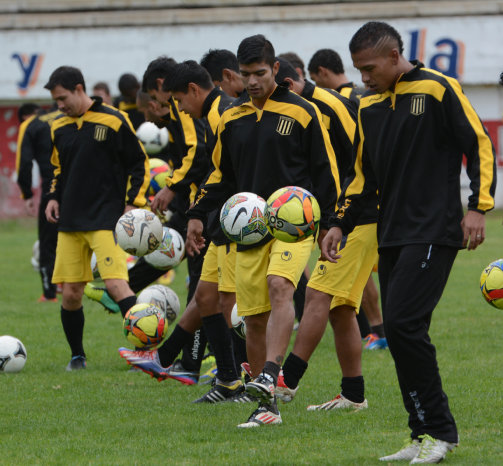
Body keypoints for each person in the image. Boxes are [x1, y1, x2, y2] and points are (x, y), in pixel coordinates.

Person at [321, 22, 496, 463]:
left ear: (395, 55)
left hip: (435, 229)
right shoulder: (368, 105)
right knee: (400, 334)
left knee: (401, 325)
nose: (363, 78)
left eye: (369, 68)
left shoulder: (439, 89)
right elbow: (362, 175)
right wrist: (340, 221)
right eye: (358, 70)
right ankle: (420, 434)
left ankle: (440, 432)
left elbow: (479, 145)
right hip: (391, 233)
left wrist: (478, 206)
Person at [186, 35, 341, 427]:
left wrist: (332, 225)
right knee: (252, 317)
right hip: (250, 230)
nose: (252, 81)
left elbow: (326, 172)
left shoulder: (304, 113)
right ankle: (265, 405)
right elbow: (221, 175)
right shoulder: (233, 118)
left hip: (294, 225)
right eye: (245, 75)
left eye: (259, 73)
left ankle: (271, 374)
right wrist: (197, 213)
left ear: (275, 69)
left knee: (280, 286)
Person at [120, 61, 250, 401]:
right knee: (208, 296)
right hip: (215, 214)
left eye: (177, 100)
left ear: (192, 90)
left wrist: (188, 203)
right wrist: (196, 213)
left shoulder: (223, 113)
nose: (177, 109)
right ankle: (226, 379)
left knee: (234, 300)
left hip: (229, 216)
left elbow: (217, 168)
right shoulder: (214, 112)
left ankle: (252, 376)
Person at [273, 57, 376, 410]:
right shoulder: (300, 111)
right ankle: (353, 394)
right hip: (346, 216)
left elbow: (362, 158)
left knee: (316, 294)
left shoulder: (329, 104)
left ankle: (286, 380)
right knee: (341, 310)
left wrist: (339, 216)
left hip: (361, 215)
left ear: (287, 84)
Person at [44, 66, 150, 371]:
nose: (60, 105)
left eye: (63, 98)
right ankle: (77, 356)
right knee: (71, 294)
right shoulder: (58, 128)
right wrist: (52, 197)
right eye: (56, 101)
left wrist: (133, 203)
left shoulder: (115, 119)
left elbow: (138, 163)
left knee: (117, 286)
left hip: (106, 218)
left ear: (79, 88)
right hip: (71, 221)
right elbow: (57, 171)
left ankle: (143, 352)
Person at [16, 103, 60, 302]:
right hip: (80, 189)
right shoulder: (72, 118)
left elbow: (23, 163)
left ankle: (49, 293)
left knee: (47, 243)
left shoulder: (31, 125)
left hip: (51, 192)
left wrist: (26, 194)